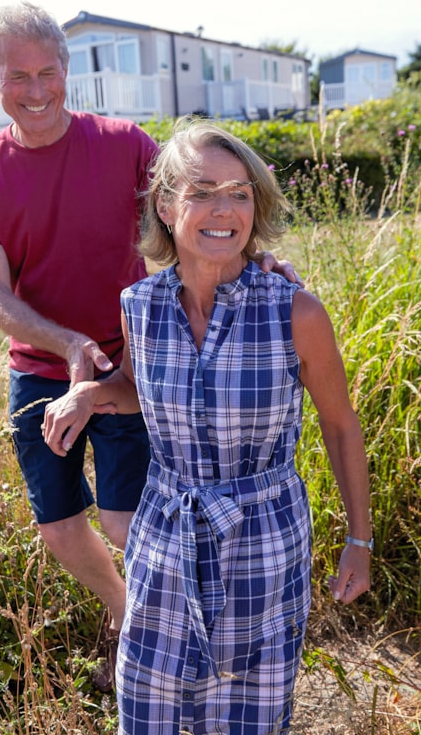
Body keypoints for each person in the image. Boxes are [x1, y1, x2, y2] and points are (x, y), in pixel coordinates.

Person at [0, 3, 298, 690]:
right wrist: (64, 341)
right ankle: (130, 612)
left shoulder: (126, 144)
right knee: (57, 527)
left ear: (67, 67)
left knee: (123, 516)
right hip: (41, 368)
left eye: (49, 71)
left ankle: (186, 637)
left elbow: (196, 210)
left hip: (134, 360)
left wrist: (256, 261)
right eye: (19, 76)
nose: (38, 89)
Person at [42, 119, 372, 733]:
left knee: (251, 712)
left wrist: (360, 540)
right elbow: (138, 391)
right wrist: (89, 396)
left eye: (240, 192)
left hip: (265, 540)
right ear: (167, 206)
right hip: (165, 531)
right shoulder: (138, 306)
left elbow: (341, 425)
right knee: (146, 704)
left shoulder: (294, 311)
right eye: (202, 191)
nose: (224, 209)